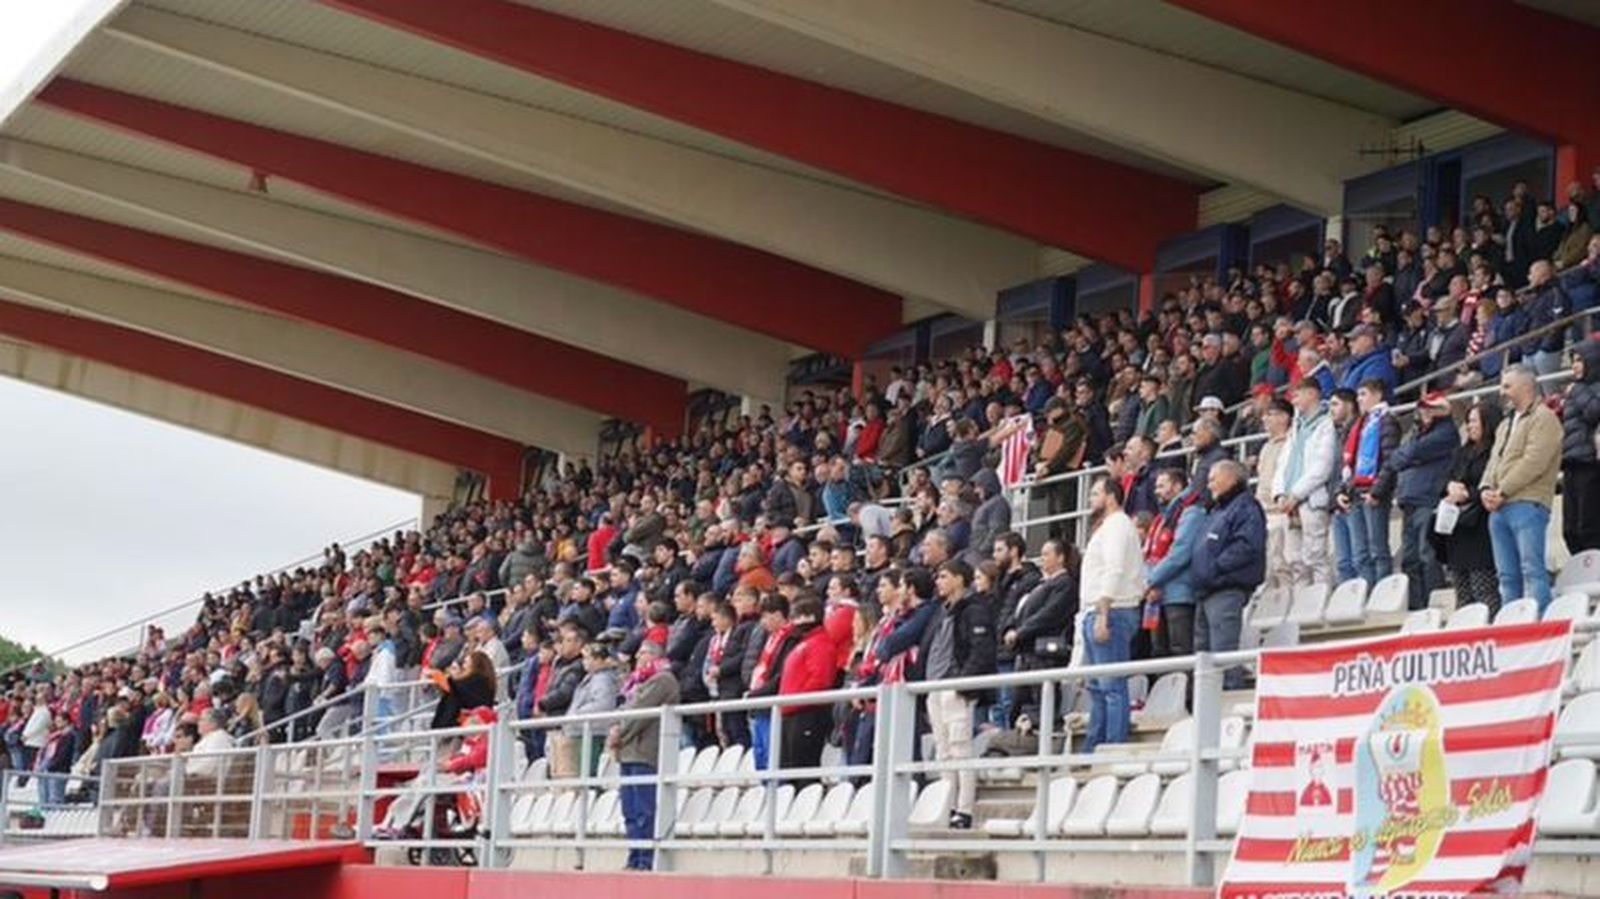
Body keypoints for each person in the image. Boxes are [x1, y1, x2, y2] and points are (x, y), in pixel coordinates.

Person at [918, 559, 996, 830]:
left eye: (943, 576)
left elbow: (981, 650)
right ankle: (947, 804)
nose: (938, 582)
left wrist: (963, 683)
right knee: (943, 752)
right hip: (934, 688)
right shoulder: (942, 611)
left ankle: (964, 809)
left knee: (960, 749)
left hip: (955, 688)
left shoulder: (975, 610)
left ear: (960, 579)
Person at [1482, 365, 1564, 610]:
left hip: (1528, 503)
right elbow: (1493, 460)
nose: (1502, 391)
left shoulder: (1544, 418)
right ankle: (1513, 627)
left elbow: (1534, 462)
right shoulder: (1506, 424)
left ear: (1526, 386)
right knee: (1507, 576)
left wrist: (1502, 490)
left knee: (1532, 570)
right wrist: (1486, 488)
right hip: (1499, 507)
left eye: (1507, 385)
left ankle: (1541, 626)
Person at [1077, 477, 1145, 753]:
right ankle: (1097, 743)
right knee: (1098, 688)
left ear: (1111, 496)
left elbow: (1114, 569)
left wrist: (1103, 612)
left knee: (1111, 686)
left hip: (1112, 611)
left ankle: (1113, 745)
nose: (1090, 498)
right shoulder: (1110, 527)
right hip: (1100, 610)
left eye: (1095, 493)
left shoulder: (1118, 526)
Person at [1190, 461, 1266, 689]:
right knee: (1204, 660)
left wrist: (1214, 568)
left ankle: (1228, 706)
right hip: (1206, 590)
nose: (1209, 484)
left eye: (1214, 478)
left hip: (1225, 588)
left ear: (1232, 479)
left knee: (1223, 656)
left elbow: (1247, 546)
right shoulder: (1219, 510)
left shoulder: (1246, 507)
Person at [1382, 392, 1459, 609]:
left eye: (1431, 408)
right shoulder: (1418, 432)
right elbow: (1395, 460)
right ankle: (1417, 608)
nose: (1425, 412)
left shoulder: (1447, 432)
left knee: (1428, 555)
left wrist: (1409, 457)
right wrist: (1409, 457)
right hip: (1410, 499)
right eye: (1423, 408)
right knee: (1410, 559)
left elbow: (1408, 454)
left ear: (1443, 410)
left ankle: (1435, 606)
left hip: (1429, 499)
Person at [609, 641, 678, 872]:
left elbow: (638, 712)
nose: (638, 656)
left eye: (643, 652)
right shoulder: (638, 680)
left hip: (644, 751)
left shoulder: (663, 680)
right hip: (629, 752)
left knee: (643, 809)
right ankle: (634, 856)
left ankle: (645, 860)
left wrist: (619, 730)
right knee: (629, 809)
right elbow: (625, 709)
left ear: (655, 655)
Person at [1432, 403, 1504, 613]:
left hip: (1480, 527)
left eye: (1474, 420)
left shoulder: (1495, 452)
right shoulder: (1462, 452)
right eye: (1468, 421)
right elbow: (1443, 479)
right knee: (1462, 591)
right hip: (1457, 529)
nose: (1469, 426)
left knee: (1483, 589)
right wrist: (1449, 487)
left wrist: (1467, 494)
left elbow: (1493, 483)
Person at [1002, 538, 1077, 724]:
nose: (1041, 558)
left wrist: (1020, 632)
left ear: (1060, 558)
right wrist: (1010, 627)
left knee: (1042, 703)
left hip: (1044, 654)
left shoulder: (1065, 584)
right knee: (1019, 706)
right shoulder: (1041, 584)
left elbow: (1049, 615)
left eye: (1046, 554)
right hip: (1027, 654)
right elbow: (1020, 611)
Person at [1272, 379, 1338, 588]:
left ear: (1311, 394)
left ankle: (1322, 599)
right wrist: (1280, 493)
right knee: (1294, 560)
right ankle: (1302, 605)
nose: (1294, 400)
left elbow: (1322, 466)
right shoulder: (1297, 426)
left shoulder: (1327, 423)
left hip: (1311, 499)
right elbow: (1284, 461)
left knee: (1315, 556)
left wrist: (1296, 494)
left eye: (1297, 395)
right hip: (1290, 503)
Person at [1337, 379, 1400, 586]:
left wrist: (1377, 491)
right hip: (1355, 492)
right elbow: (1347, 460)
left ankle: (1382, 595)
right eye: (1358, 395)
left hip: (1373, 493)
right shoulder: (1358, 424)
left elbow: (1389, 460)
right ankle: (1365, 595)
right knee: (1360, 553)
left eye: (1363, 394)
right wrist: (1342, 491)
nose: (1359, 399)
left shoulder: (1386, 421)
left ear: (1378, 395)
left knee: (1377, 550)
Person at [1144, 468, 1207, 658]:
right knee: (1159, 653)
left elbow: (1180, 553)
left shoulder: (1191, 513)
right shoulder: (1162, 519)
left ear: (1178, 486)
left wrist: (1152, 580)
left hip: (1180, 594)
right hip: (1157, 597)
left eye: (1162, 486)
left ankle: (1186, 689)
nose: (1157, 491)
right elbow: (1150, 554)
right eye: (1156, 486)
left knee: (1181, 652)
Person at [775, 597, 838, 776]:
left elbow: (821, 681)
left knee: (802, 771)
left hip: (806, 714)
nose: (792, 621)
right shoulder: (806, 643)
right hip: (793, 713)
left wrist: (793, 703)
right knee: (789, 770)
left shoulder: (820, 644)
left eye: (796, 616)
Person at [1562, 341, 1600, 553]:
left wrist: (1577, 391)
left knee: (1589, 527)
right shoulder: (1578, 389)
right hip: (1571, 464)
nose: (1574, 366)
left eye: (1579, 360)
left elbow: (1595, 413)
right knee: (1570, 529)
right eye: (1573, 361)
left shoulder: (1581, 390)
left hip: (1591, 466)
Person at [1254, 398, 1293, 591]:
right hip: (1263, 511)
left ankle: (1290, 603)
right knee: (1266, 566)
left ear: (1284, 417)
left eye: (1270, 414)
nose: (1265, 419)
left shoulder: (1292, 443)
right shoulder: (1266, 446)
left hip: (1280, 511)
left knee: (1282, 563)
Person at [564, 644, 620, 778]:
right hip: (582, 731)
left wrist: (575, 715)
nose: (584, 662)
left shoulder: (603, 679)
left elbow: (603, 704)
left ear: (599, 660)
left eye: (588, 658)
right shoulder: (592, 677)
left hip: (593, 731)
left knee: (589, 771)